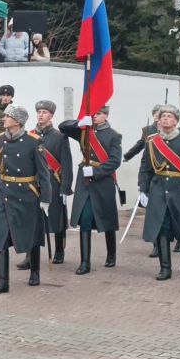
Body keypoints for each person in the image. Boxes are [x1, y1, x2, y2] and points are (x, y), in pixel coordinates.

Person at [0, 104, 53, 294]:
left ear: (17, 121)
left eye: (7, 116)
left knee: (31, 234)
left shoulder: (34, 141)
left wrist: (46, 198)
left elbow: (43, 173)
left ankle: (35, 272)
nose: (3, 119)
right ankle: (2, 281)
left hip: (27, 194)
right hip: (4, 193)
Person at [137, 105, 180, 280]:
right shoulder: (152, 142)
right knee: (162, 228)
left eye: (169, 116)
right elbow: (145, 168)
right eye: (163, 116)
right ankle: (165, 268)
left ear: (176, 121)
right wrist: (143, 189)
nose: (165, 119)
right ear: (159, 121)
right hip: (158, 189)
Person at [59, 105, 122, 275]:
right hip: (84, 182)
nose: (95, 116)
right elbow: (63, 127)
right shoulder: (85, 131)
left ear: (106, 116)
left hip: (103, 180)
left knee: (107, 219)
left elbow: (115, 161)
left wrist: (96, 171)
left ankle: (111, 254)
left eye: (99, 114)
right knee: (85, 218)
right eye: (94, 113)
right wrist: (78, 123)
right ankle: (85, 262)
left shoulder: (114, 135)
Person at [29, 99, 73, 265]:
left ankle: (59, 251)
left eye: (44, 112)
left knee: (57, 219)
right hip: (34, 184)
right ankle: (30, 256)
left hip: (53, 182)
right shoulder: (29, 135)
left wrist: (65, 188)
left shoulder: (60, 137)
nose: (41, 115)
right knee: (33, 220)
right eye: (39, 112)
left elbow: (67, 164)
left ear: (51, 115)